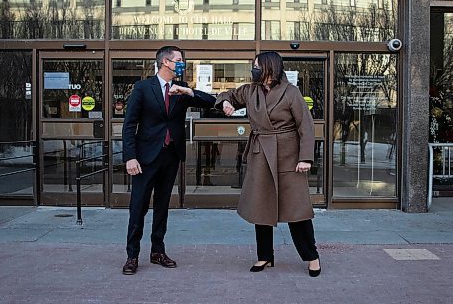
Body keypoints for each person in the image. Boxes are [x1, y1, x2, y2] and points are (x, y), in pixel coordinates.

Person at [215, 51, 321, 276]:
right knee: (260, 208)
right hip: (261, 154)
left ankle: (312, 256)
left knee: (297, 210)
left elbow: (306, 126)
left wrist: (305, 158)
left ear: (269, 69)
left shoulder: (291, 93)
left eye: (256, 66)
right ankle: (265, 256)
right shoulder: (250, 90)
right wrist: (225, 103)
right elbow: (228, 95)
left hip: (288, 157)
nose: (253, 69)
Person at [122, 46, 216, 275]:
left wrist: (187, 92)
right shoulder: (143, 88)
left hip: (170, 156)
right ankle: (132, 256)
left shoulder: (179, 91)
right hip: (145, 158)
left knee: (162, 206)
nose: (181, 64)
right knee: (138, 207)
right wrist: (130, 157)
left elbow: (210, 101)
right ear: (166, 62)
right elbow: (129, 125)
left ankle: (157, 251)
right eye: (179, 60)